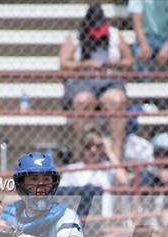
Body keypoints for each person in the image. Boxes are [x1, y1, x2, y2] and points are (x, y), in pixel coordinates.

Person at [59, 3, 133, 160]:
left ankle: (116, 157)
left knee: (117, 100)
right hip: (82, 82)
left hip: (109, 82)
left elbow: (128, 61)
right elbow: (64, 63)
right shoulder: (76, 36)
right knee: (82, 100)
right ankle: (82, 154)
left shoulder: (114, 34)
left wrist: (114, 64)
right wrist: (86, 65)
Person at [59, 126, 129, 217]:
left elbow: (124, 181)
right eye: (88, 146)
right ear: (82, 148)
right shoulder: (72, 169)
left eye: (98, 146)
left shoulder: (107, 167)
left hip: (103, 220)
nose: (93, 150)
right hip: (79, 220)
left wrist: (109, 151)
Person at [128, 0, 168, 73]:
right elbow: (136, 23)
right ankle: (144, 83)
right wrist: (144, 45)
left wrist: (166, 48)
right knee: (141, 53)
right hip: (145, 38)